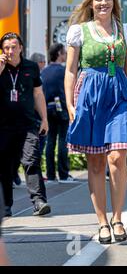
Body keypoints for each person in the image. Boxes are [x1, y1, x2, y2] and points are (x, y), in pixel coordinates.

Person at [65, 0, 127, 244]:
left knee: (117, 157)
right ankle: (101, 221)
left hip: (118, 95)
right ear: (91, 4)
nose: (103, 3)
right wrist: (71, 105)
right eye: (98, 0)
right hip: (89, 95)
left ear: (113, 2)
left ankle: (118, 218)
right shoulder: (79, 31)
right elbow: (71, 70)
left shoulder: (124, 31)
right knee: (95, 161)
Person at [0, 32, 49, 217]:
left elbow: (38, 94)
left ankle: (39, 201)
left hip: (27, 124)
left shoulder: (31, 67)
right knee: (4, 167)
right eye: (6, 48)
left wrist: (44, 118)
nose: (10, 51)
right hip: (3, 127)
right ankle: (5, 207)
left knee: (31, 161)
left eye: (13, 47)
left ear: (21, 47)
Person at [41, 43, 74, 182]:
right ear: (59, 54)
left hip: (47, 109)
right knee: (62, 141)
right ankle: (64, 174)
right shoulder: (64, 71)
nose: (66, 55)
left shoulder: (44, 71)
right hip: (62, 109)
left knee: (50, 142)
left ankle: (50, 174)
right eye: (64, 53)